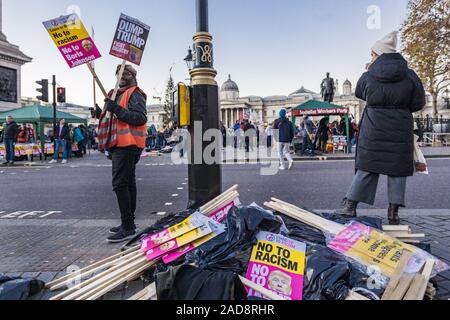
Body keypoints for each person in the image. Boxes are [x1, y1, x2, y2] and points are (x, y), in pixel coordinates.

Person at [338, 31, 426, 225]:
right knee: (397, 169)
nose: (371, 57)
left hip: (373, 127)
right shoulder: (410, 75)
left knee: (367, 166)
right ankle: (393, 212)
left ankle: (350, 206)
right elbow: (418, 102)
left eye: (372, 54)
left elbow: (360, 93)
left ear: (378, 54)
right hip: (400, 127)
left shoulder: (368, 75)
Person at [94, 64, 148, 243]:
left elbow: (139, 118)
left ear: (133, 76)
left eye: (126, 73)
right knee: (127, 183)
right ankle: (129, 224)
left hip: (128, 144)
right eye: (119, 73)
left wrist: (115, 109)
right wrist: (101, 112)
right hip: (119, 144)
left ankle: (127, 226)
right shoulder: (115, 95)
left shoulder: (135, 93)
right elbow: (113, 118)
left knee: (119, 184)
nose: (122, 76)